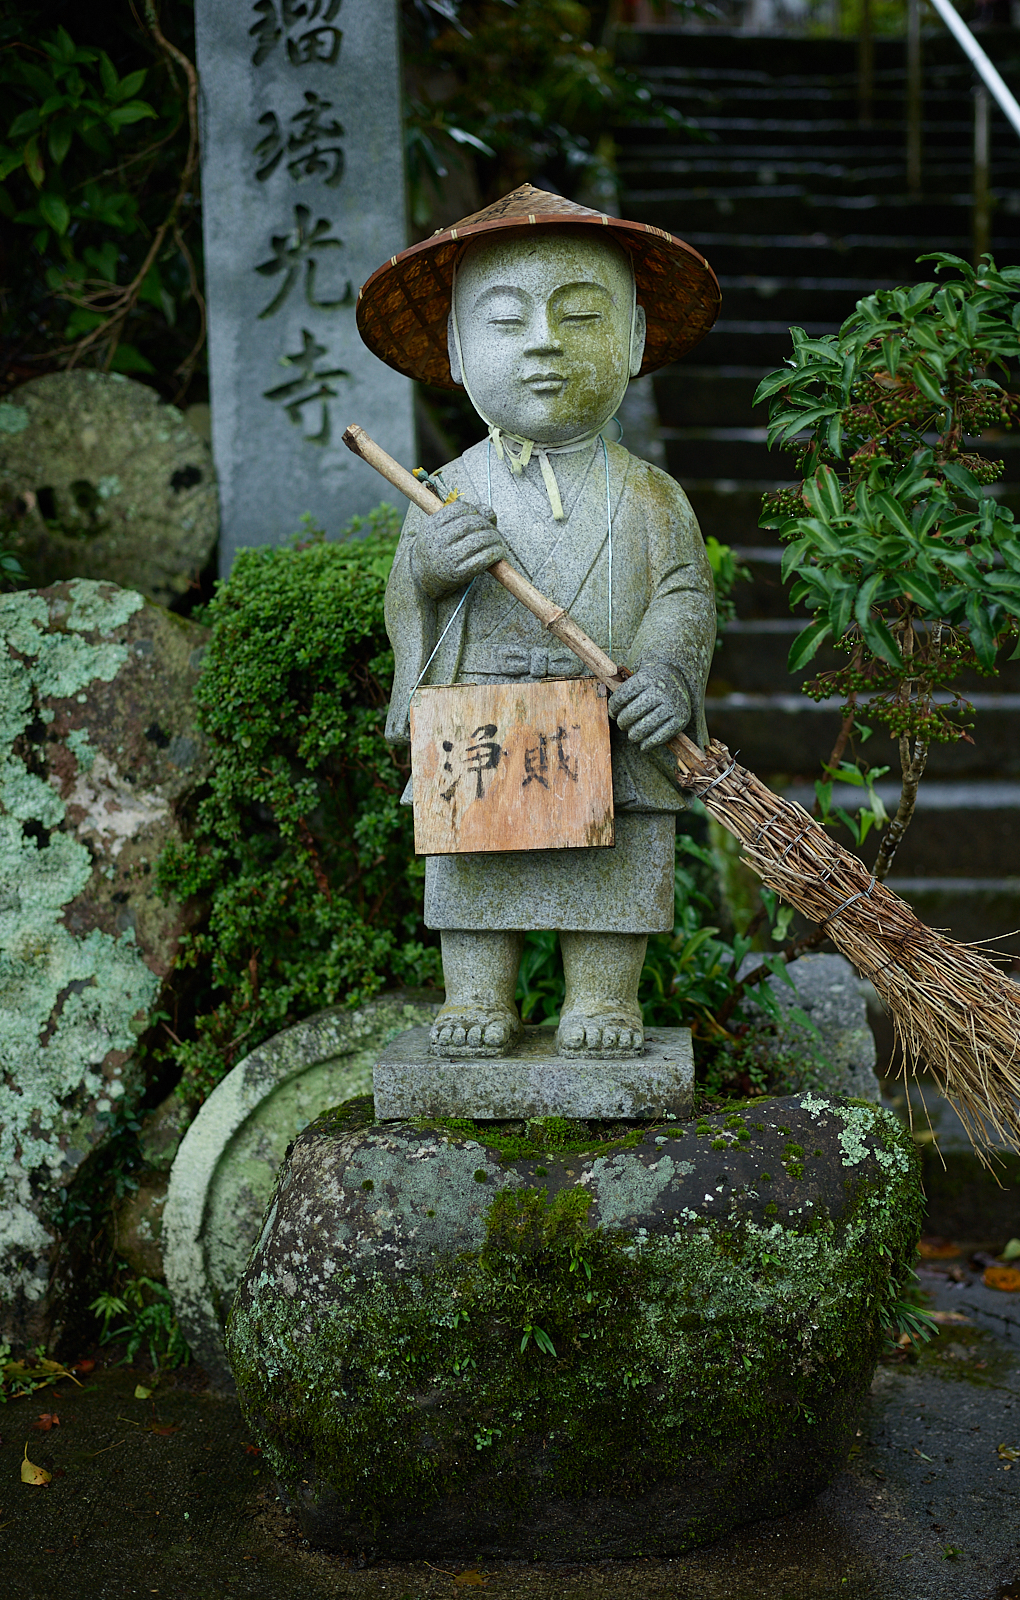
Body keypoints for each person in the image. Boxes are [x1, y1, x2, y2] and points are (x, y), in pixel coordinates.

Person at [356, 184, 720, 1059]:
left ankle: (603, 997)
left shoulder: (650, 494)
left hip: (607, 724)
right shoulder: (445, 492)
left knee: (615, 851)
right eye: (508, 320)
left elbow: (683, 595)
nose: (546, 343)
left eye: (583, 316)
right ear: (455, 344)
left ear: (632, 339)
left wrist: (666, 675)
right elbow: (405, 596)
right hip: (486, 719)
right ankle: (476, 992)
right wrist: (432, 573)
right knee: (479, 851)